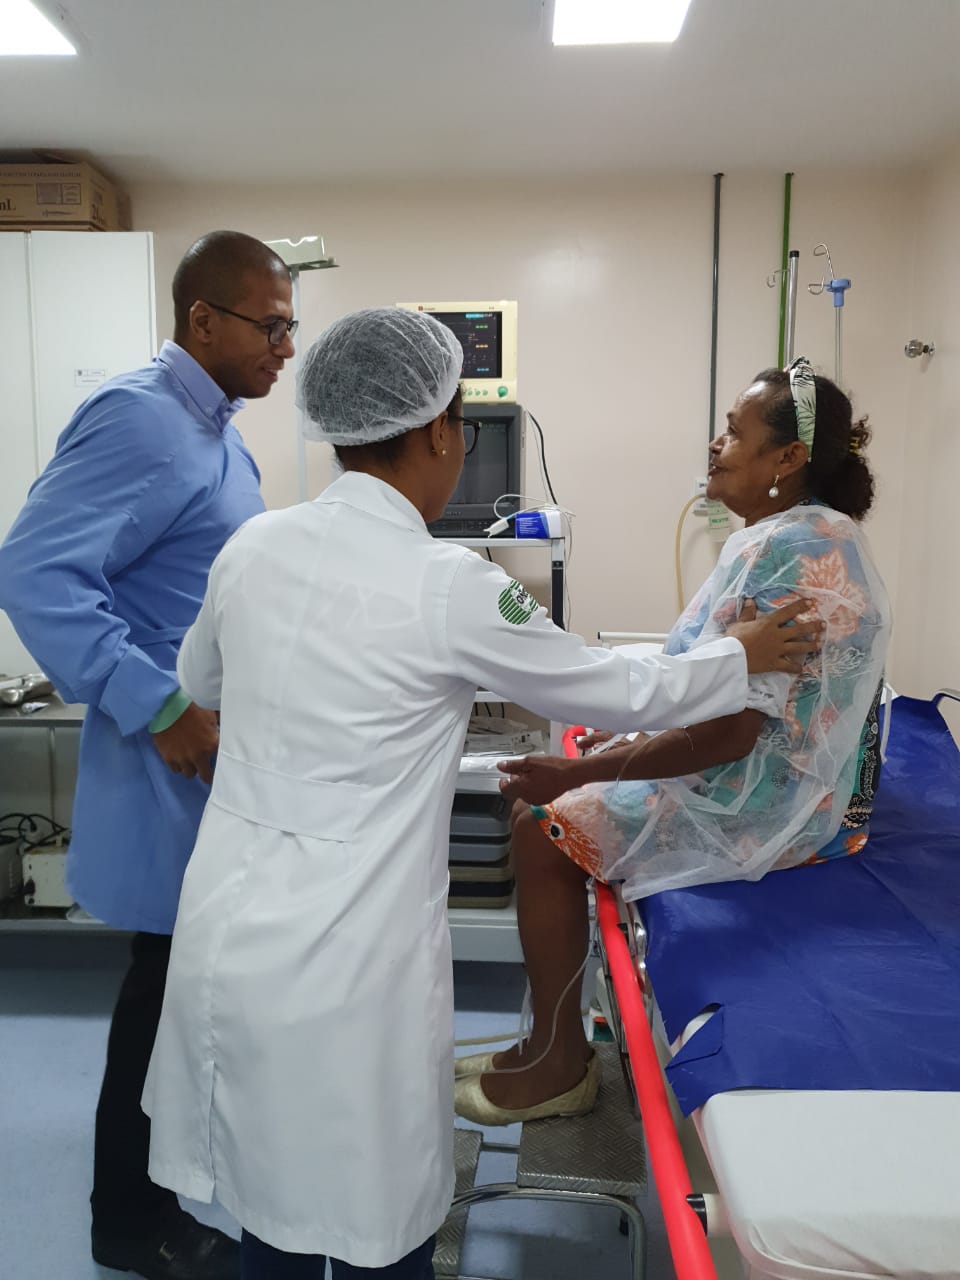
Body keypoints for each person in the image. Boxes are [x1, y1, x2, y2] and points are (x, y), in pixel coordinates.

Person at [141, 307, 819, 1280]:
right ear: (437, 432)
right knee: (379, 1217)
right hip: (348, 957)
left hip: (229, 933)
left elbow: (199, 684)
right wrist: (739, 653)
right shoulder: (447, 582)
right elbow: (613, 687)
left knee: (268, 1206)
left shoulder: (253, 546)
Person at [453, 357, 891, 1126]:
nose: (717, 445)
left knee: (538, 828)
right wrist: (627, 731)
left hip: (761, 807)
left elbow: (728, 734)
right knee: (570, 781)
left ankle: (560, 1063)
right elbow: (732, 684)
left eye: (735, 433)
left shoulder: (781, 552)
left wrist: (574, 772)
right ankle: (547, 1037)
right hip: (798, 787)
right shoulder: (813, 532)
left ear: (788, 458)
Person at [0, 230, 297, 1278]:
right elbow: (34, 571)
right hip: (168, 753)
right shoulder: (141, 417)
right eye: (270, 325)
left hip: (214, 758)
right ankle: (129, 1222)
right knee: (163, 989)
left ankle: (165, 1190)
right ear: (202, 319)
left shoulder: (216, 434)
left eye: (291, 327)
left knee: (189, 990)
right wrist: (158, 702)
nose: (285, 347)